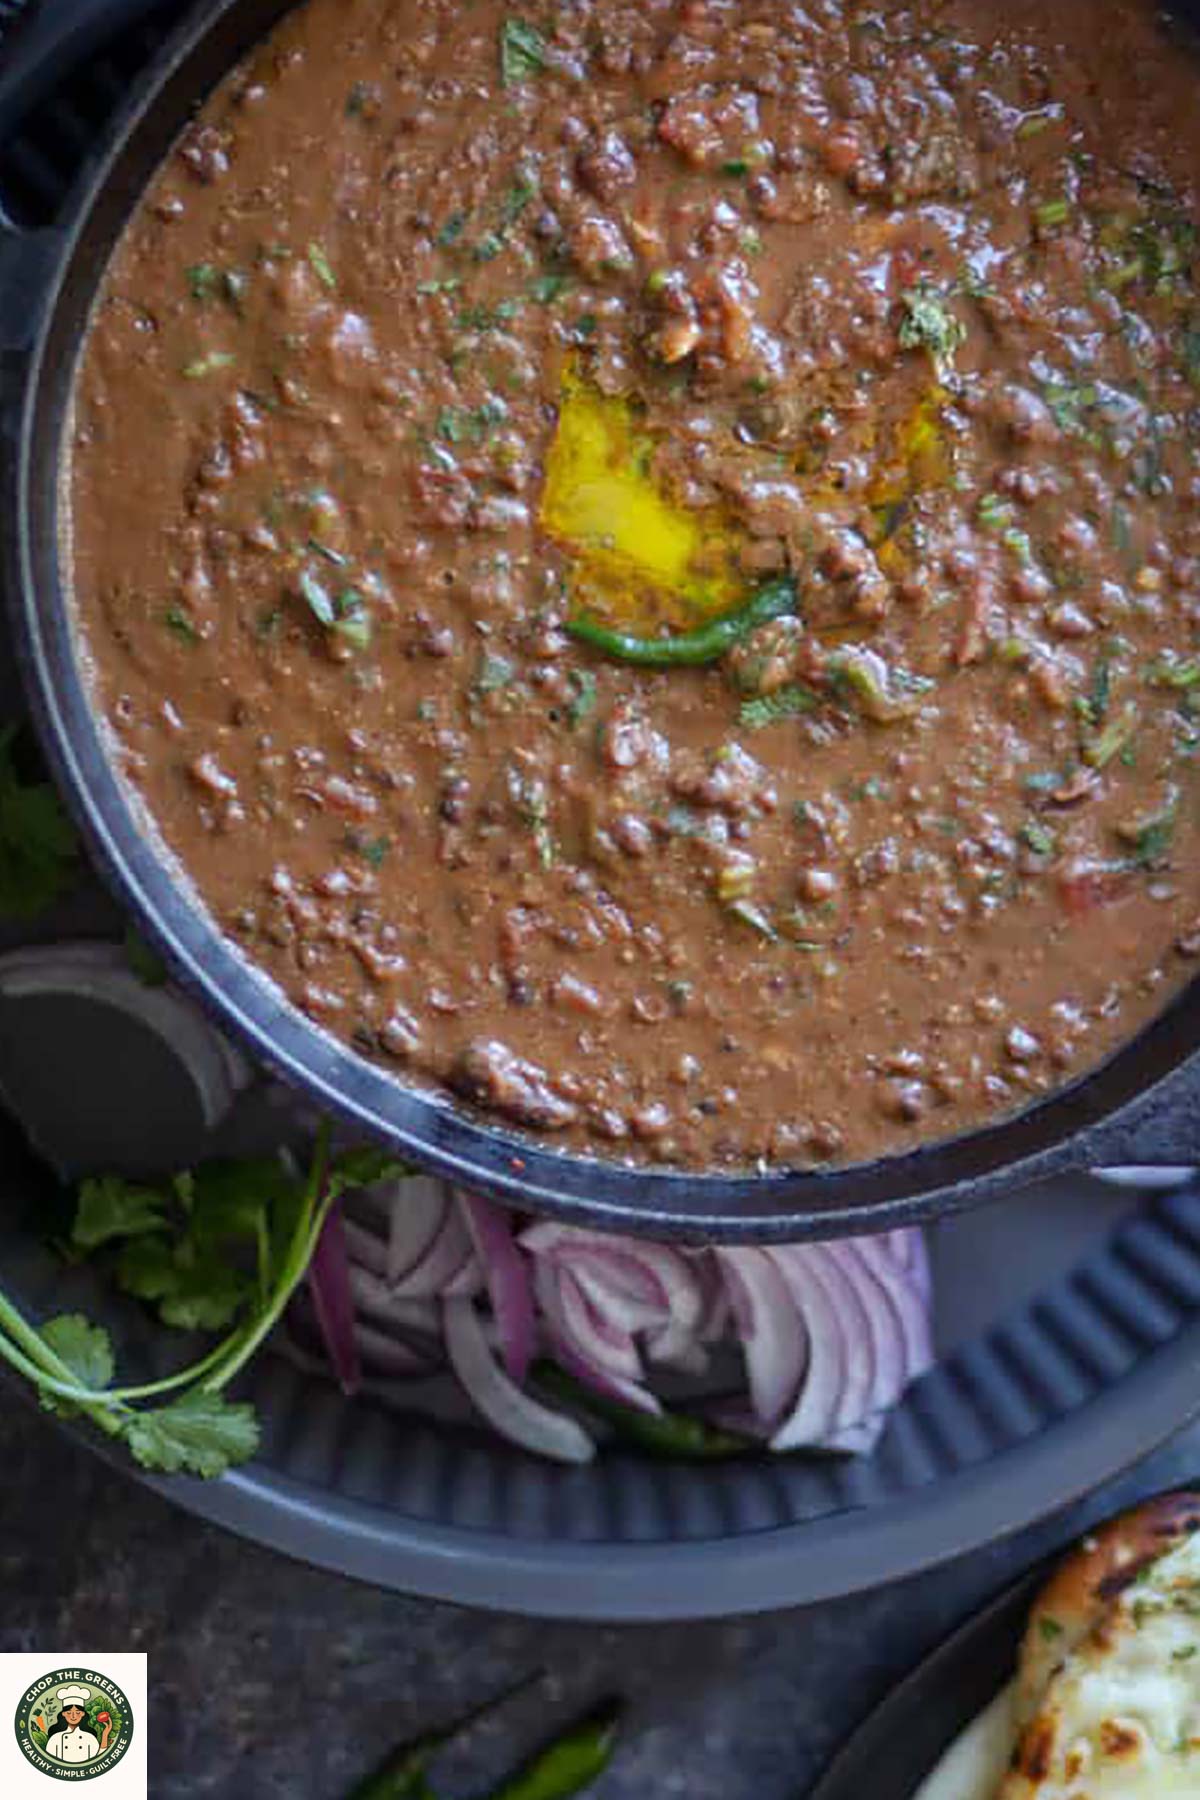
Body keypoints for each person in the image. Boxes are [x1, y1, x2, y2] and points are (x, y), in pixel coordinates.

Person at [45, 1685, 111, 1764]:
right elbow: (49, 1762)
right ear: (63, 1714)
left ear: (83, 1714)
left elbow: (98, 1760)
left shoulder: (89, 1738)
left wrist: (105, 1736)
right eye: (69, 1712)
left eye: (78, 1712)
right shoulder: (55, 1738)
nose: (73, 1716)